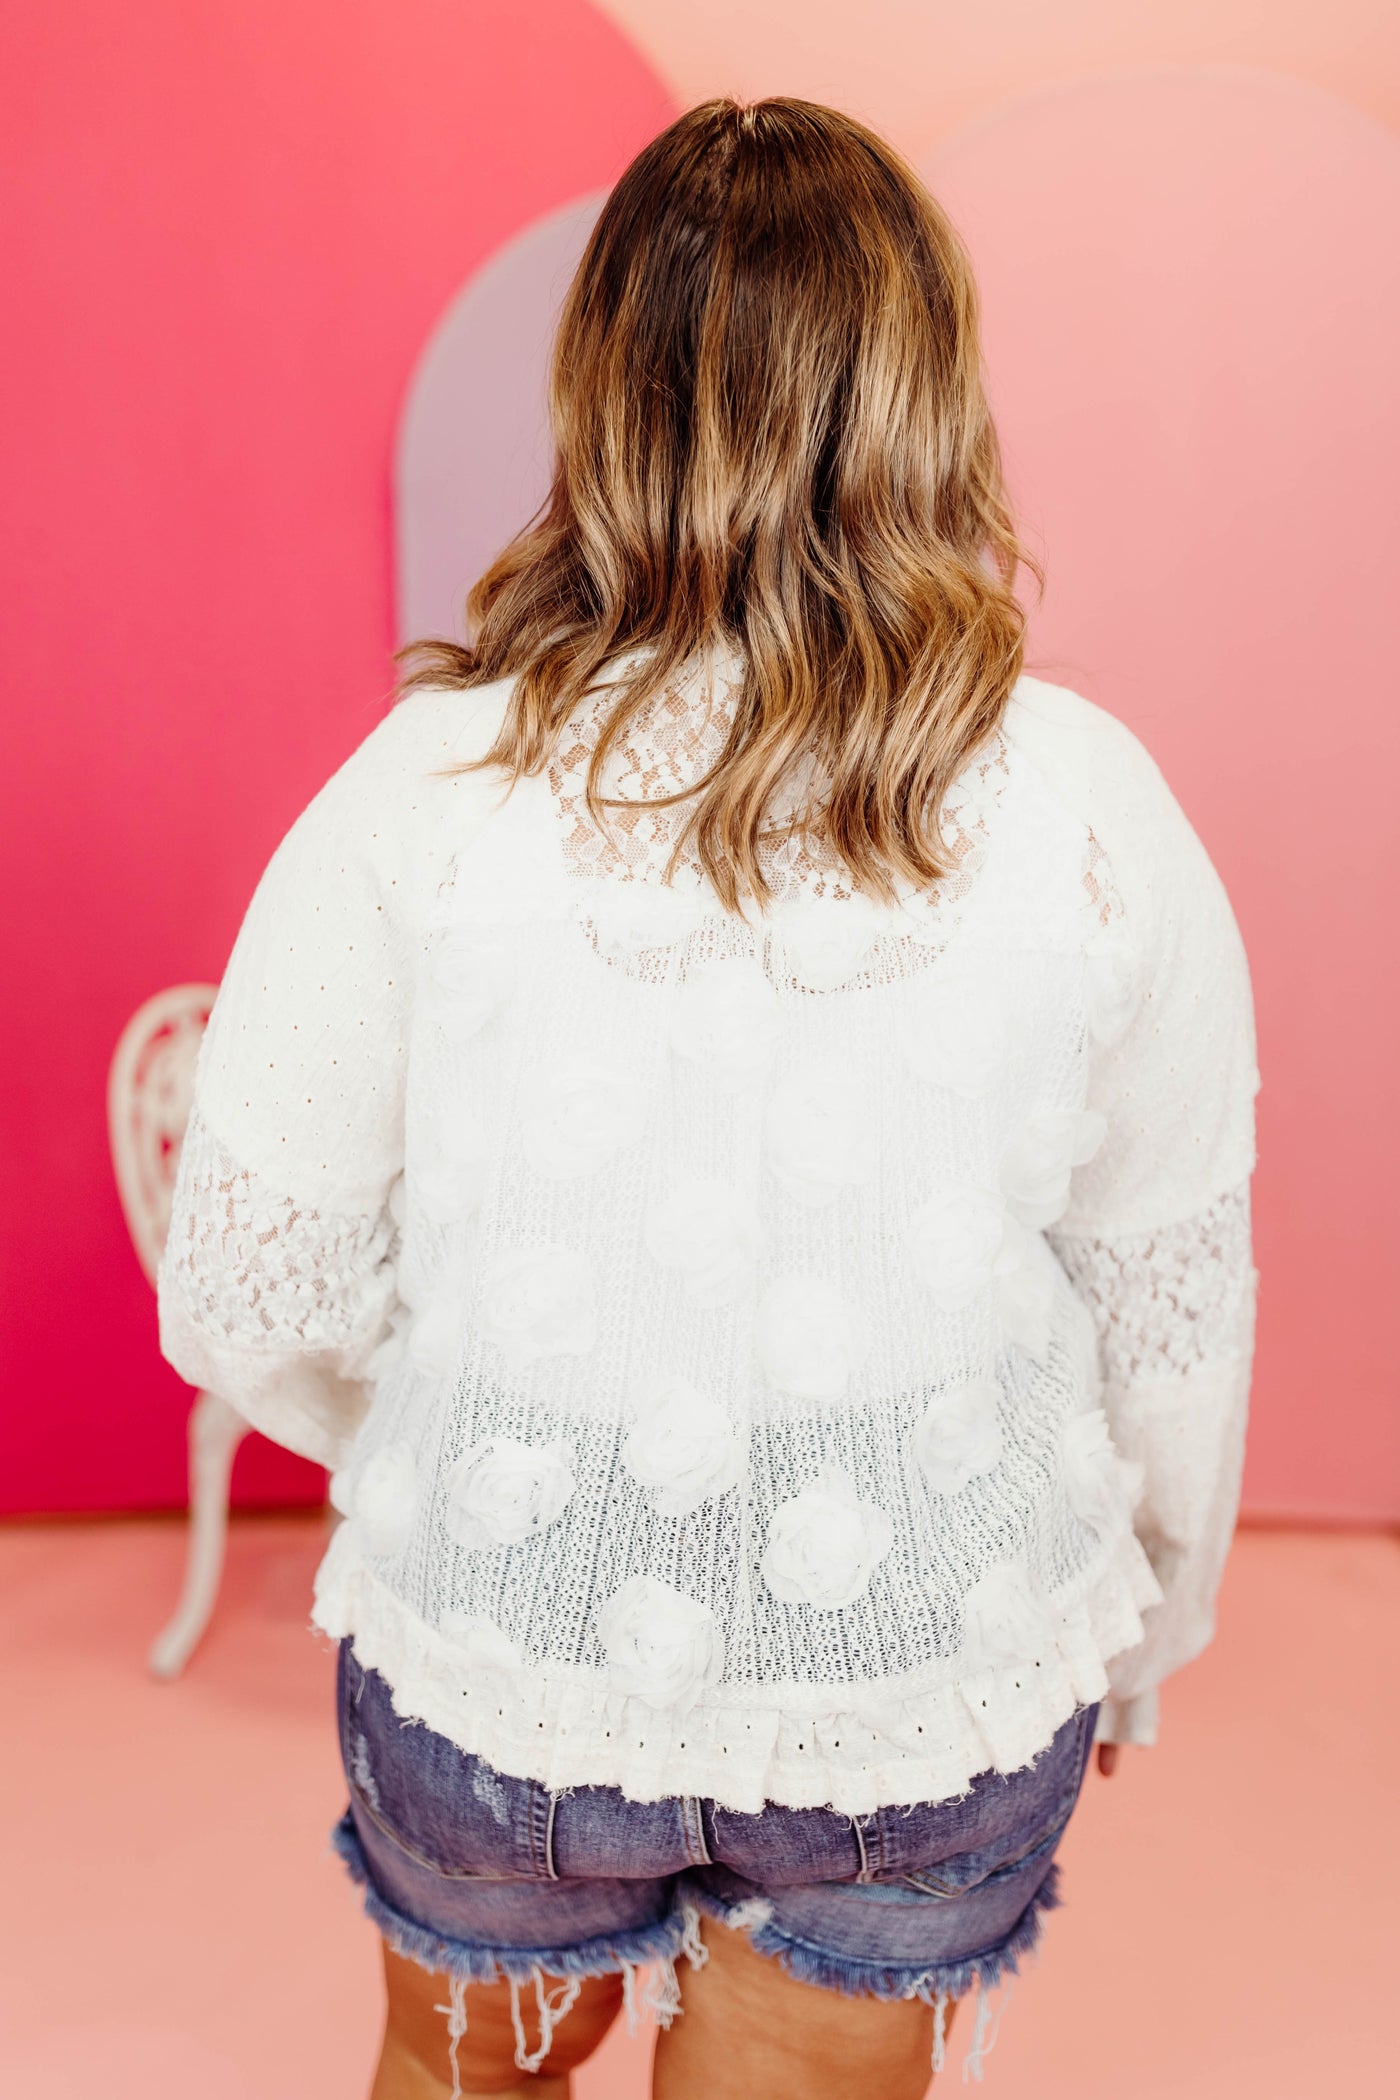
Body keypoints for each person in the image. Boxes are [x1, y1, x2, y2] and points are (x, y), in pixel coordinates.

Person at [159, 97, 1258, 2100]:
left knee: (463, 2080)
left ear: (605, 397)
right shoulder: (1090, 806)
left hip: (506, 1641)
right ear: (925, 389)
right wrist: (1139, 1631)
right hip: (924, 1665)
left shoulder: (424, 789)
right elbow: (1167, 1310)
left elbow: (245, 1289)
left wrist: (480, 1448)